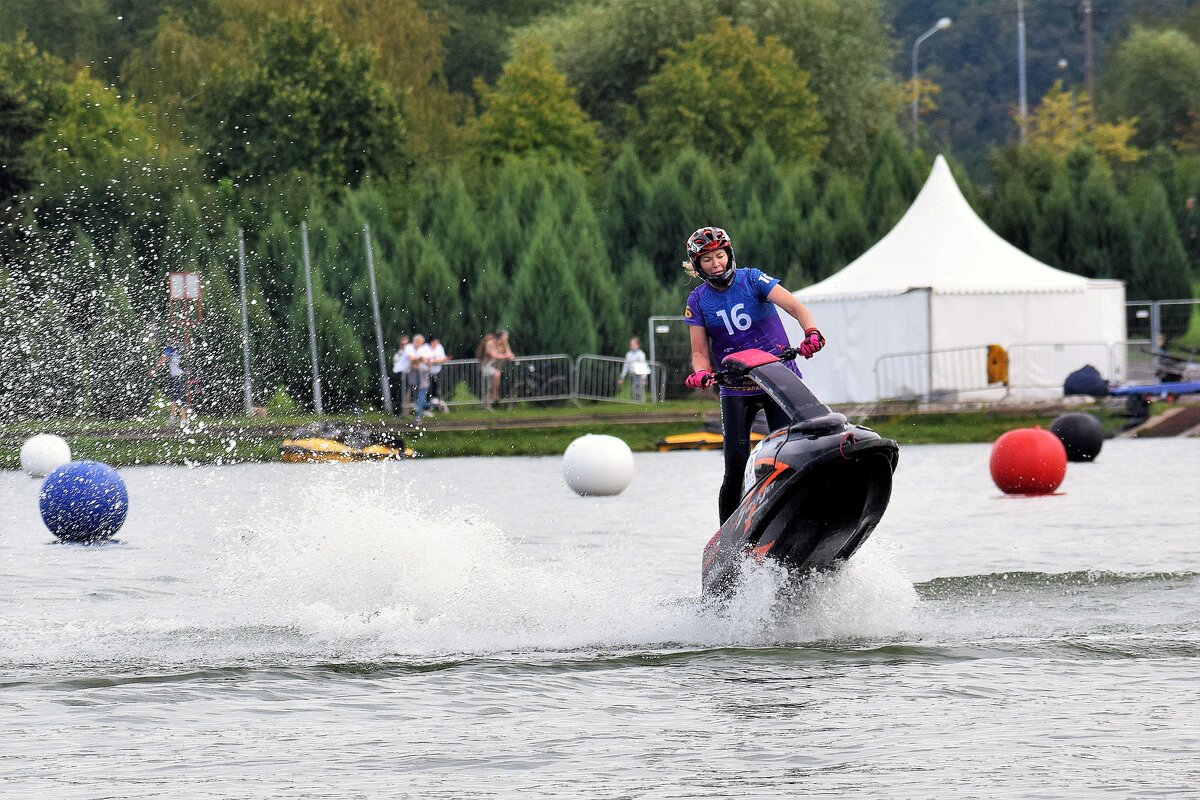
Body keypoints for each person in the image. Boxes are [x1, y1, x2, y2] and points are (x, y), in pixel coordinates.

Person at [682, 226, 824, 525]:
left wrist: (811, 332)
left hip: (777, 378)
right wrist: (702, 373)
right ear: (697, 266)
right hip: (735, 387)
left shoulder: (753, 279)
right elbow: (698, 352)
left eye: (720, 255)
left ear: (729, 254)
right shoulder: (697, 301)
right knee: (735, 465)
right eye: (707, 260)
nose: (716, 263)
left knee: (786, 453)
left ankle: (796, 516)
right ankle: (728, 538)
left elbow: (795, 307)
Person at [150, 338, 188, 421]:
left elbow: (162, 361)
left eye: (171, 339)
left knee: (177, 398)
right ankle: (175, 417)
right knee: (175, 397)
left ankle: (181, 419)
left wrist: (154, 370)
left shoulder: (170, 350)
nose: (169, 341)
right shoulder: (178, 349)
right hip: (178, 376)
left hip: (177, 377)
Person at [618, 336, 649, 403]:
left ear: (638, 345)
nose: (632, 346)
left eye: (634, 344)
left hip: (640, 374)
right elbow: (626, 366)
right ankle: (634, 403)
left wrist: (644, 378)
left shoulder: (641, 354)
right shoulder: (629, 354)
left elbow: (643, 366)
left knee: (640, 390)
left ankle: (642, 403)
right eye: (631, 344)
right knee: (633, 390)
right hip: (633, 374)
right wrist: (622, 376)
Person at [427, 335, 450, 412]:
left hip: (438, 370)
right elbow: (429, 360)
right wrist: (437, 360)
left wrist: (437, 360)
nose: (436, 343)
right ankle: (428, 406)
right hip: (428, 372)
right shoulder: (426, 348)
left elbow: (443, 357)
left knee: (438, 389)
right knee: (429, 389)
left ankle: (436, 404)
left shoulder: (439, 347)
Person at [392, 335, 411, 415]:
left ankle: (406, 411)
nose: (404, 346)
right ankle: (397, 411)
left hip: (407, 374)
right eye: (403, 344)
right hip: (399, 374)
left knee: (407, 392)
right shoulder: (398, 354)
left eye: (406, 344)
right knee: (399, 393)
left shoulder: (409, 352)